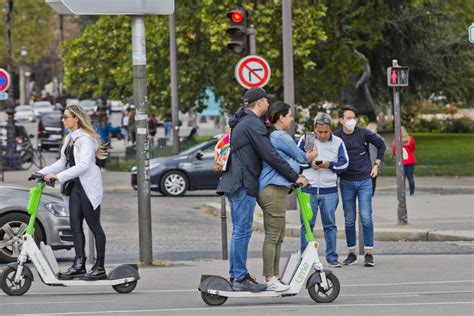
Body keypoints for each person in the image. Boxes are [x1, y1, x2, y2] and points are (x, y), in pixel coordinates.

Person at [216, 87, 308, 292]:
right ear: (258, 103)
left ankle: (237, 274)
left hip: (238, 181)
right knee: (242, 230)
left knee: (240, 231)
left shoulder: (243, 121)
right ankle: (239, 277)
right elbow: (270, 155)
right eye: (266, 101)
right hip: (242, 182)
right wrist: (295, 176)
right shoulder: (252, 124)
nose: (268, 105)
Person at [39, 105, 108, 280]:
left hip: (87, 187)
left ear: (76, 119)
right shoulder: (69, 138)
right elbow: (62, 163)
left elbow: (83, 166)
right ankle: (79, 265)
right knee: (75, 226)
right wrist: (41, 173)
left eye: (66, 117)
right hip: (75, 188)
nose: (63, 120)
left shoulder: (85, 139)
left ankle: (99, 267)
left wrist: (57, 177)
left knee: (94, 226)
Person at [258, 101, 317, 292]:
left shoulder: (275, 137)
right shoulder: (280, 136)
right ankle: (270, 277)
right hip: (273, 189)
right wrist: (313, 153)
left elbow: (288, 161)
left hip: (278, 189)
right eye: (290, 116)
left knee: (279, 235)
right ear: (281, 117)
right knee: (274, 235)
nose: (291, 120)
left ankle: (274, 276)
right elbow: (301, 158)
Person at [334, 105, 386, 267]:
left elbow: (381, 145)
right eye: (348, 118)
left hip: (364, 180)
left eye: (353, 118)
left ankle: (369, 253)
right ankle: (351, 253)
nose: (351, 121)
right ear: (341, 120)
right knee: (349, 219)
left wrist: (376, 164)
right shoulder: (336, 136)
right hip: (346, 181)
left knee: (366, 216)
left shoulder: (363, 133)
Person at [297, 112, 349, 268]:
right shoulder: (306, 140)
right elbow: (296, 160)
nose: (323, 135)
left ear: (331, 130)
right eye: (319, 132)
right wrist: (309, 164)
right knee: (307, 225)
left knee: (330, 225)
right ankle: (305, 257)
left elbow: (344, 164)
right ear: (314, 129)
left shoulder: (338, 142)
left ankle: (332, 257)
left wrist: (329, 165)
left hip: (330, 191)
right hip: (308, 190)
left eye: (326, 132)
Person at [392, 126, 416, 196]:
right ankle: (412, 193)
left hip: (401, 162)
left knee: (402, 177)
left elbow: (394, 152)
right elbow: (413, 148)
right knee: (410, 177)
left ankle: (403, 192)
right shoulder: (410, 139)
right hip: (410, 160)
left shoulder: (396, 140)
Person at [367, 122, 386, 196]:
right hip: (375, 160)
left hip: (366, 160)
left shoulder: (365, 136)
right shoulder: (379, 137)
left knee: (366, 179)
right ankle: (372, 194)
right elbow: (384, 147)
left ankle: (367, 193)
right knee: (373, 178)